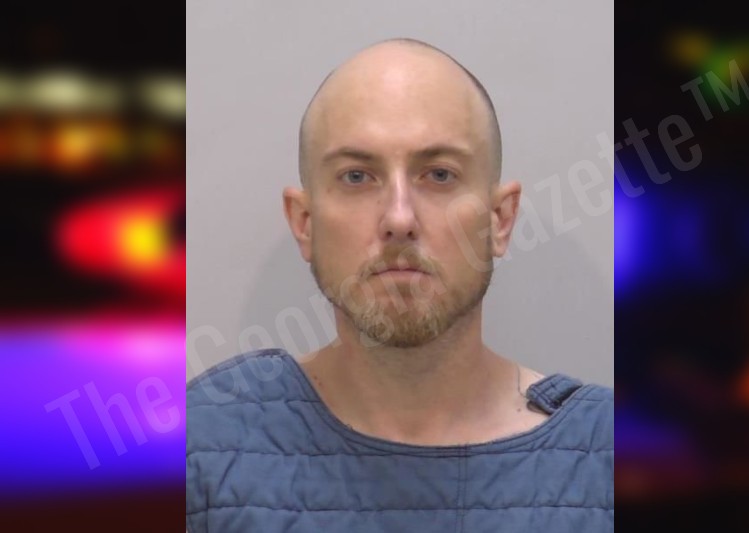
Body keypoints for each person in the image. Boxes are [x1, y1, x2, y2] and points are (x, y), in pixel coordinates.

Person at [186, 38, 613, 533]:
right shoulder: (202, 451)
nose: (399, 219)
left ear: (500, 219)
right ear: (305, 223)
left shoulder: (610, 457)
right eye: (356, 176)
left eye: (439, 174)